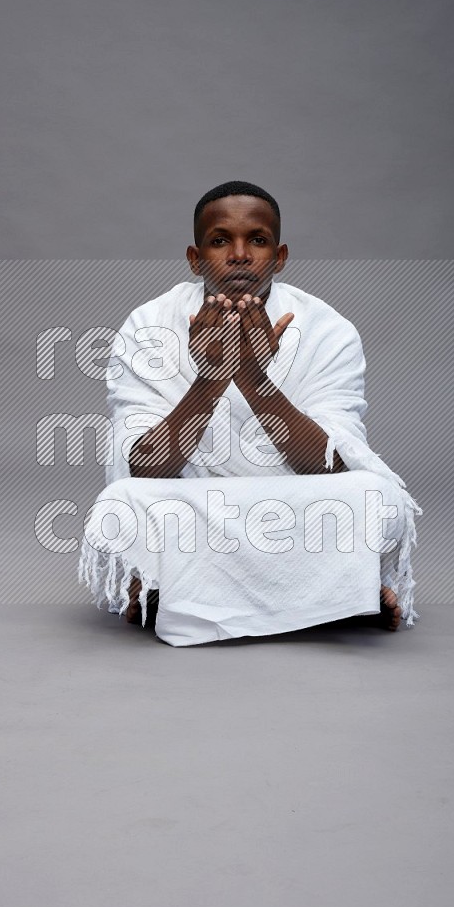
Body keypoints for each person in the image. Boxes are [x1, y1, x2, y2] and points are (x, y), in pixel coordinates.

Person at [78, 180, 421, 647]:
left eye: (256, 240)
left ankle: (175, 594)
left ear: (279, 256)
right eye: (220, 240)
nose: (239, 254)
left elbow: (329, 464)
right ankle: (337, 598)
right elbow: (143, 466)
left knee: (374, 496)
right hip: (194, 507)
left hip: (295, 506)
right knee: (129, 504)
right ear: (195, 258)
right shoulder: (147, 325)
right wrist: (212, 378)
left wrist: (255, 378)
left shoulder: (328, 328)